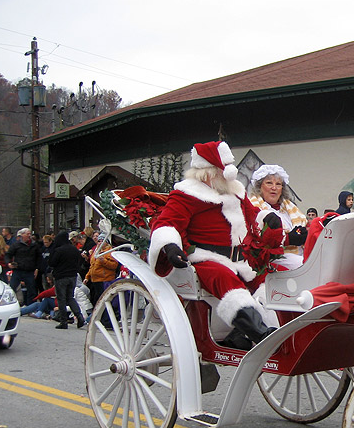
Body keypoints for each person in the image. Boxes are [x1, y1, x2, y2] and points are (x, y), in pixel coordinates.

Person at [149, 141, 284, 350]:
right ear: (208, 172)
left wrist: (268, 219)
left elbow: (253, 217)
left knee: (272, 276)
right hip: (205, 258)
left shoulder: (235, 192)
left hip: (241, 259)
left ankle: (247, 332)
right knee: (224, 279)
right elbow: (167, 223)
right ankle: (261, 333)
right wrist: (170, 246)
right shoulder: (187, 194)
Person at [249, 164, 308, 270]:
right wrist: (288, 239)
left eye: (278, 184)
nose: (274, 188)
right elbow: (256, 241)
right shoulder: (253, 207)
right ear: (259, 187)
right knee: (303, 266)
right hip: (273, 258)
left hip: (299, 253)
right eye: (269, 183)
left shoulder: (288, 207)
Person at [49, 230, 86, 329]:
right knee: (70, 297)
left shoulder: (59, 250)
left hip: (61, 276)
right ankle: (80, 317)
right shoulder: (74, 249)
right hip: (72, 276)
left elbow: (52, 263)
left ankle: (63, 321)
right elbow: (79, 262)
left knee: (61, 298)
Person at [6, 228, 40, 306]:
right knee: (12, 288)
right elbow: (8, 254)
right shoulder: (16, 245)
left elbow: (39, 258)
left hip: (29, 270)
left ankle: (30, 307)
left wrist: (37, 269)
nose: (29, 236)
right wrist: (9, 263)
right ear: (22, 235)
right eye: (27, 234)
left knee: (32, 290)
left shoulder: (34, 245)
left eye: (30, 234)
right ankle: (10, 305)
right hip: (18, 270)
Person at [84, 239, 119, 306]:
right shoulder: (96, 252)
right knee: (97, 299)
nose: (100, 243)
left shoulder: (110, 252)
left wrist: (104, 261)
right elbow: (92, 266)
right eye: (99, 241)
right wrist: (87, 277)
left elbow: (114, 266)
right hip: (95, 280)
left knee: (104, 300)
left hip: (105, 280)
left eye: (102, 241)